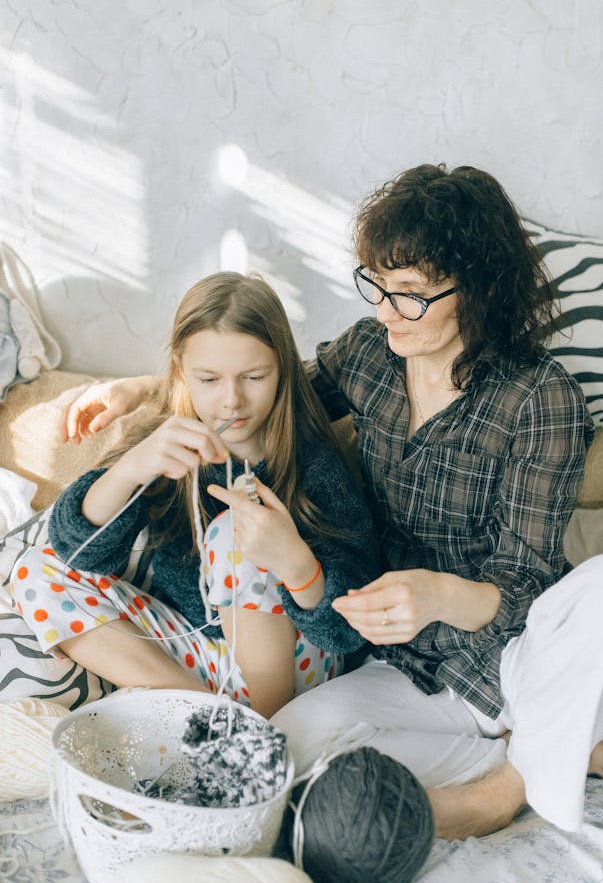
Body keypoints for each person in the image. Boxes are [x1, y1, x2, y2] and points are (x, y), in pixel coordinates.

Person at [57, 166, 603, 839]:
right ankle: (545, 750)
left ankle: (502, 792)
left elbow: (523, 584)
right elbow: (264, 392)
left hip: (514, 657)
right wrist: (142, 394)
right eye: (376, 286)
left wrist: (438, 595)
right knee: (277, 751)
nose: (384, 310)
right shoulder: (369, 355)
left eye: (409, 294)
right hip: (403, 669)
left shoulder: (538, 397)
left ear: (480, 289)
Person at [11, 272, 376, 718]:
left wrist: (296, 564)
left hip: (298, 667)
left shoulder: (314, 463)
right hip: (201, 658)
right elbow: (77, 550)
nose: (232, 401)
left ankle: (265, 731)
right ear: (181, 372)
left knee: (234, 530)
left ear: (282, 368)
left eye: (255, 377)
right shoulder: (168, 444)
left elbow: (353, 626)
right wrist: (130, 469)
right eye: (208, 380)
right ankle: (205, 714)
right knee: (33, 570)